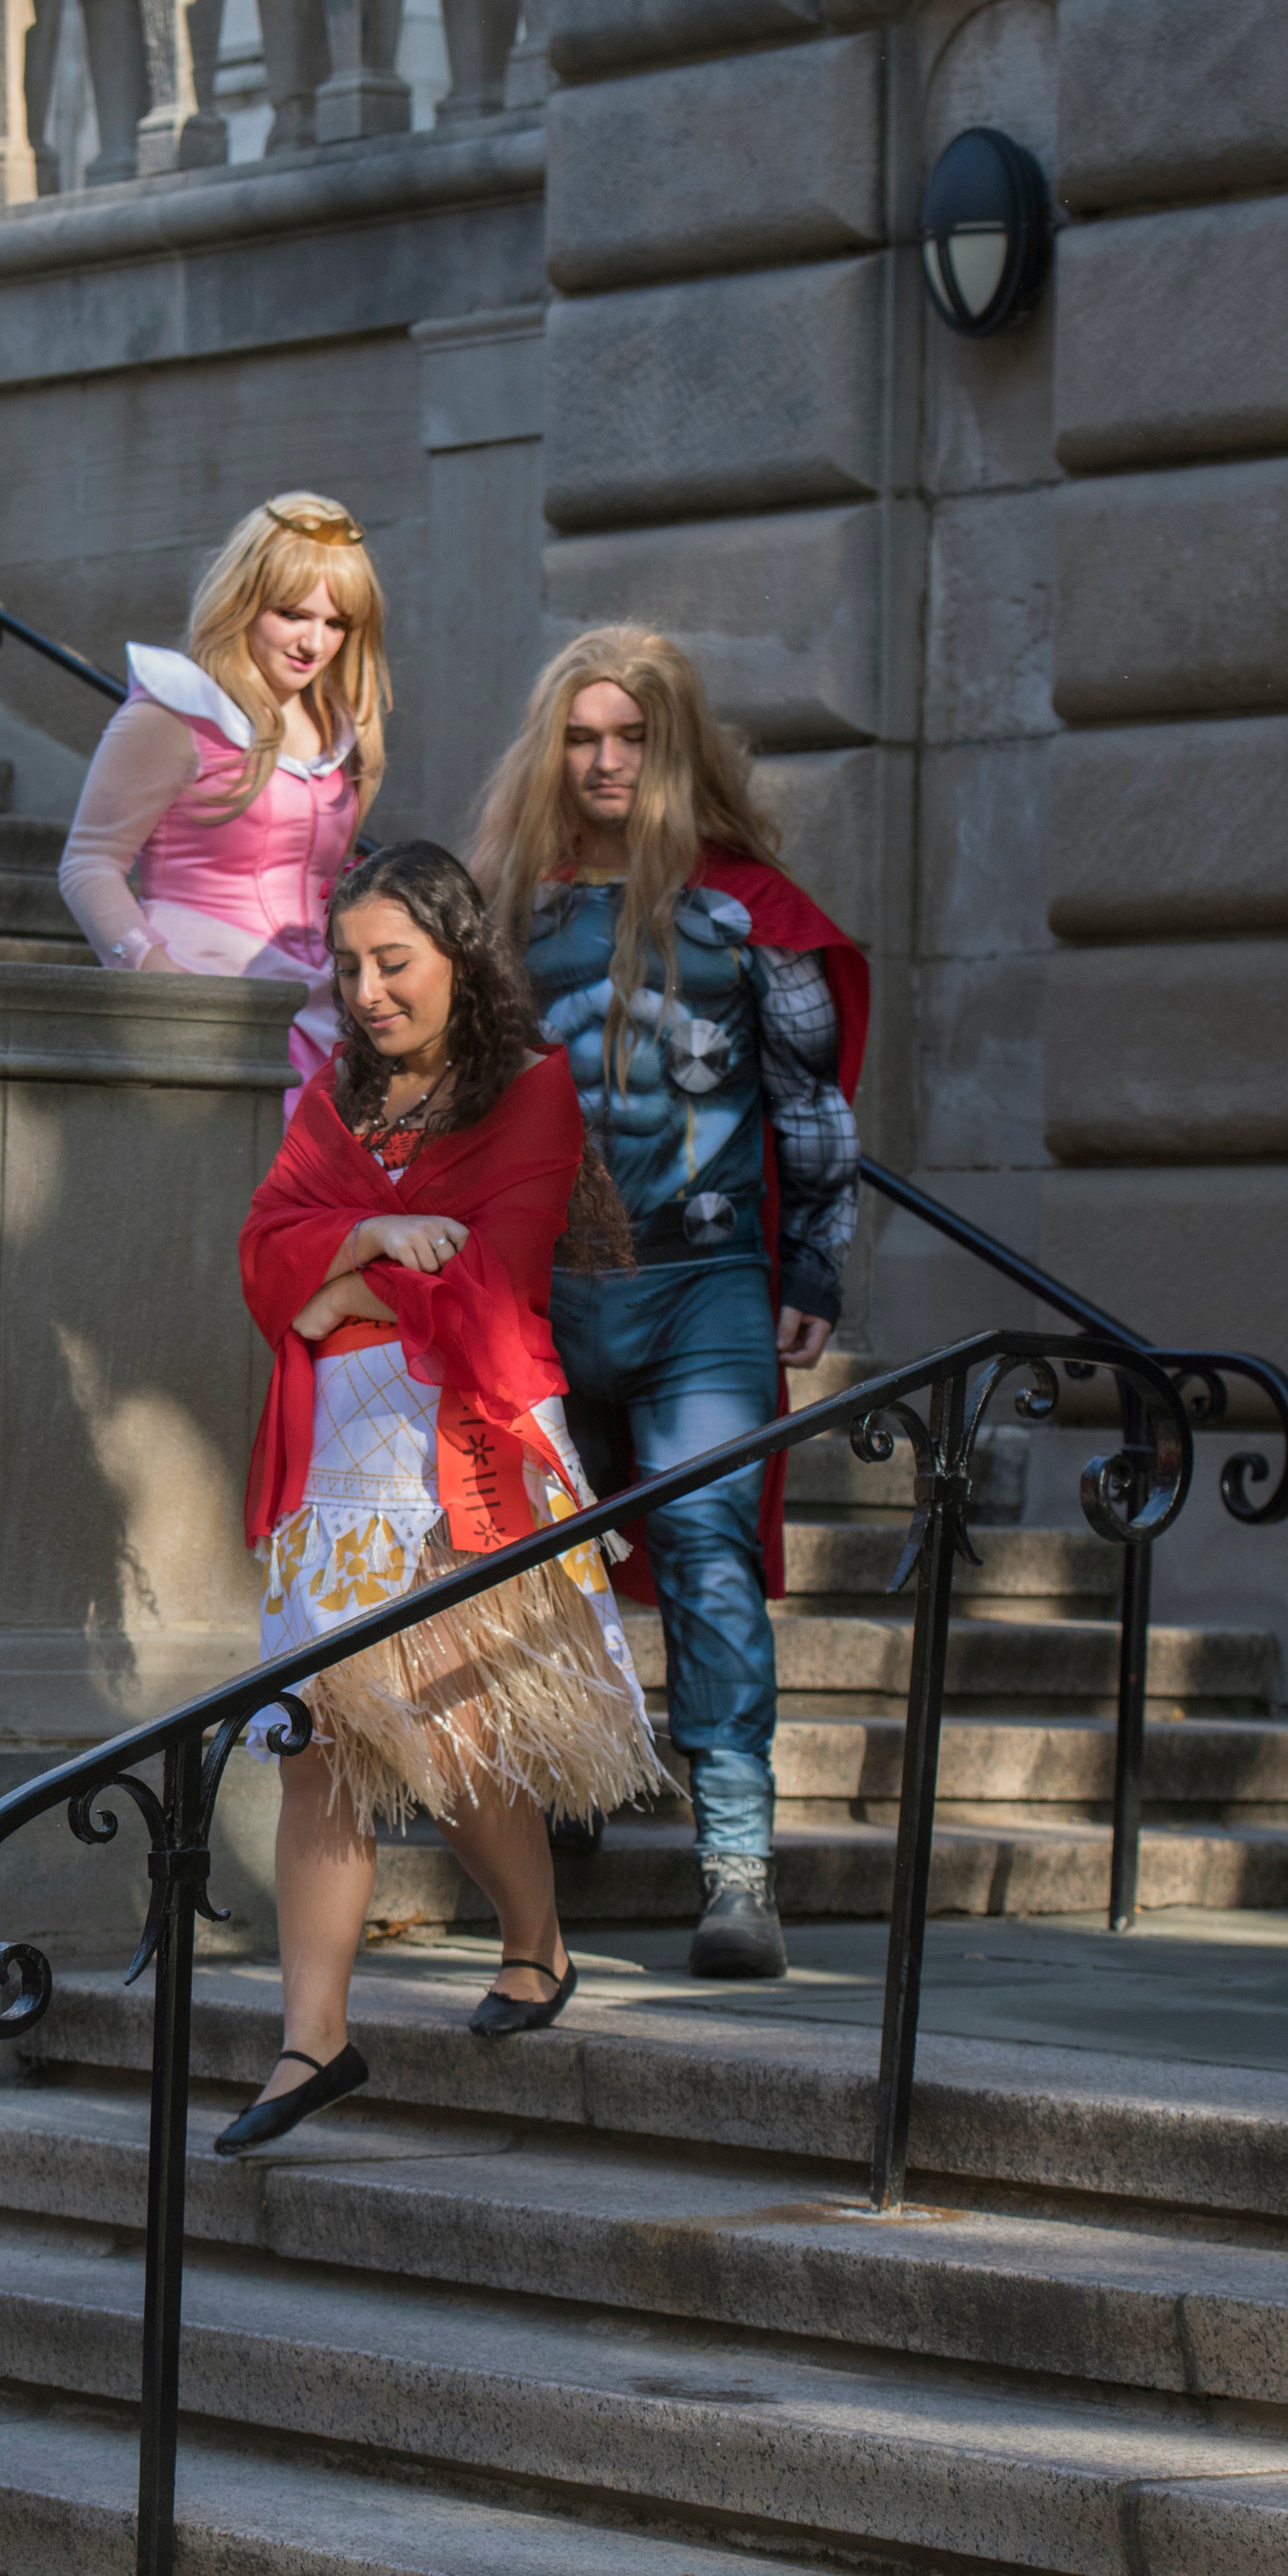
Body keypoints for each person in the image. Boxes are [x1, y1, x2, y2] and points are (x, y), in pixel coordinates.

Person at [220, 842, 661, 2157]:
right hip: (337, 1459)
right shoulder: (332, 1100)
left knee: (452, 1726)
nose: (363, 990)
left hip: (465, 1446)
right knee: (318, 1736)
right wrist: (359, 1247)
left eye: (392, 962)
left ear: (459, 959)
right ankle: (313, 2040)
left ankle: (535, 1943)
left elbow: (490, 1279)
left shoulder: (529, 1092)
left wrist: (336, 1282)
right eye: (346, 964)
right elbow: (260, 1248)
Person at [468, 625, 869, 1982]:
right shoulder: (502, 909)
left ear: (671, 746)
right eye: (579, 737)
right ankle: (567, 1781)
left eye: (628, 738)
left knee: (705, 1548)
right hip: (542, 1285)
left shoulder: (753, 912)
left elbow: (812, 1105)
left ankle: (737, 1865)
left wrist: (812, 1263)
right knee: (538, 1548)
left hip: (703, 1278)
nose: (601, 762)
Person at [56, 495, 386, 1096]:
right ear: (245, 599)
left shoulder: (340, 726)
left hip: (320, 1013)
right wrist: (159, 979)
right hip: (205, 1004)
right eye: (292, 614)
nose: (314, 642)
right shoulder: (175, 710)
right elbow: (88, 864)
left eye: (336, 623)